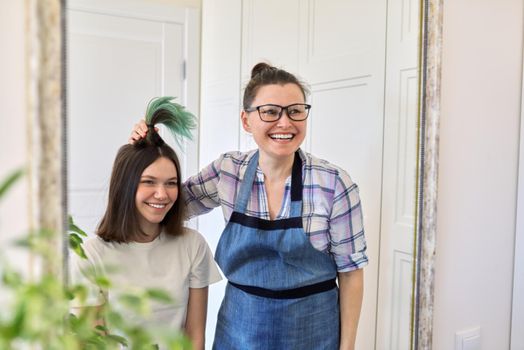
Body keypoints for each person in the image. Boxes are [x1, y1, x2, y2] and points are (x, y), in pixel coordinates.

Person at [131, 63, 368, 350]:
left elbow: (351, 272)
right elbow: (165, 204)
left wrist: (348, 347)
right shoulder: (228, 171)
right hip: (240, 330)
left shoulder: (333, 183)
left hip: (313, 330)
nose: (285, 123)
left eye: (295, 111)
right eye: (270, 112)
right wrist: (142, 154)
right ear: (246, 120)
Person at [71, 97, 222, 350]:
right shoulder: (90, 255)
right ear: (125, 186)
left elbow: (195, 337)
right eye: (149, 182)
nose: (162, 194)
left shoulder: (192, 245)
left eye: (171, 183)